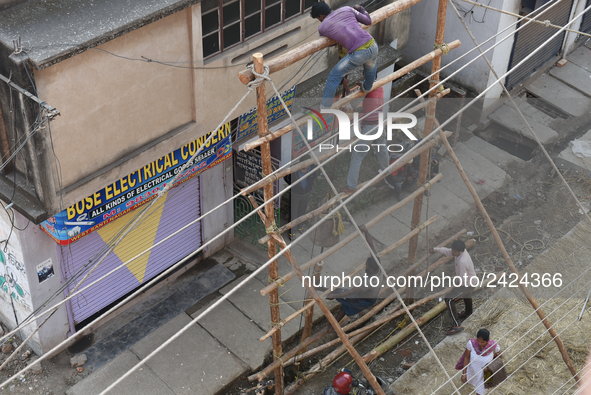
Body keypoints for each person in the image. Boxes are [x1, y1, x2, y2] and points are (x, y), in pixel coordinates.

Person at [310, 2, 378, 109]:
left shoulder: (322, 27)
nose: (320, 20)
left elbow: (332, 43)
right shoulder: (346, 9)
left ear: (321, 16)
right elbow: (368, 20)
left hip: (358, 53)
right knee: (370, 66)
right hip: (373, 45)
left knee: (333, 76)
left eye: (318, 18)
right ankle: (367, 87)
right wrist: (360, 8)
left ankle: (325, 106)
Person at [326, 225, 383, 330]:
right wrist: (365, 231)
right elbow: (371, 244)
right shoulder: (377, 264)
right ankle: (332, 326)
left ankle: (331, 324)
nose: (365, 265)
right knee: (345, 306)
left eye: (367, 265)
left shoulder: (369, 282)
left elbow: (350, 292)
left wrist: (334, 295)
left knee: (340, 294)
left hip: (362, 300)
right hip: (369, 297)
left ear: (371, 269)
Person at [430, 240, 477, 335]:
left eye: (455, 251)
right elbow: (447, 251)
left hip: (467, 283)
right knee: (466, 295)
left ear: (460, 251)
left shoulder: (462, 261)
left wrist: (454, 286)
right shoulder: (459, 252)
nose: (452, 252)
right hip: (470, 281)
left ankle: (456, 325)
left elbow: (463, 278)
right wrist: (435, 249)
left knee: (449, 299)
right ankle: (468, 312)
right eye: (453, 250)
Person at [283, 154, 318, 237]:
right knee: (293, 213)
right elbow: (285, 177)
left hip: (306, 193)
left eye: (307, 164)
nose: (305, 166)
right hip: (295, 194)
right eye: (303, 164)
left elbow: (314, 176)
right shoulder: (294, 169)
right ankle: (292, 232)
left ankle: (300, 226)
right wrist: (293, 186)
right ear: (300, 163)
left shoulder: (313, 168)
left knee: (302, 211)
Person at [461, 329, 501, 395]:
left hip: (485, 374)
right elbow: (466, 357)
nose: (479, 343)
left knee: (480, 393)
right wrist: (464, 373)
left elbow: (499, 358)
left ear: (487, 340)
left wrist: (490, 367)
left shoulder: (493, 346)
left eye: (482, 342)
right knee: (471, 384)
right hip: (473, 371)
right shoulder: (471, 343)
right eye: (478, 341)